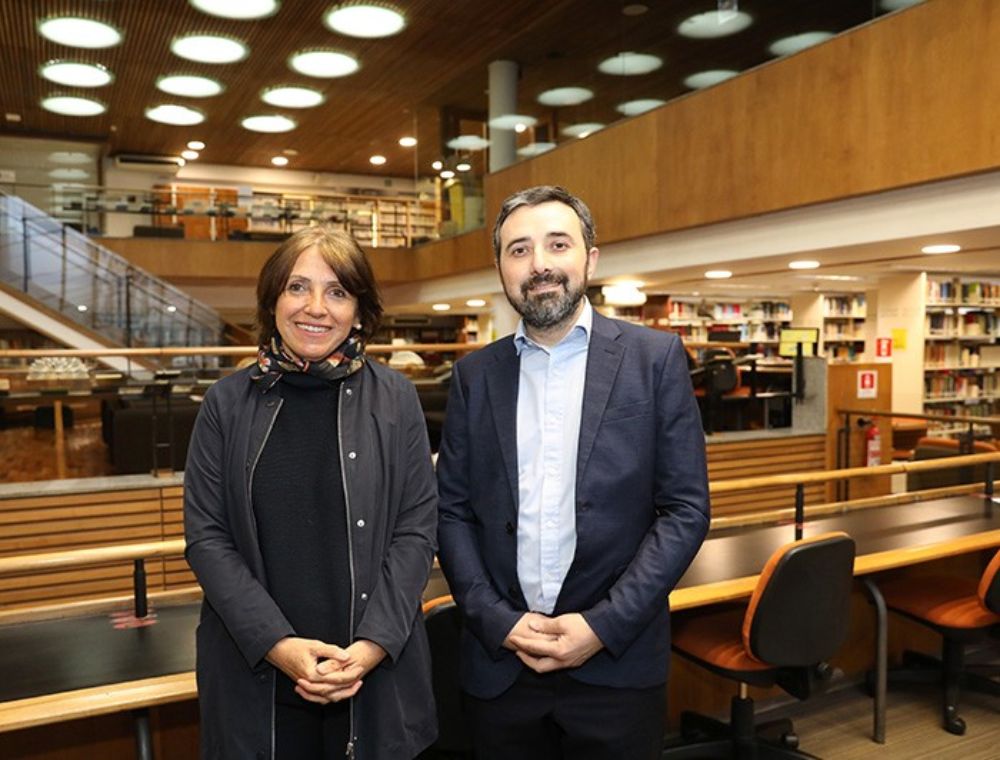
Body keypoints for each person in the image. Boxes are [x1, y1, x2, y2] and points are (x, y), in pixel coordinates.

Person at [436, 186, 710, 759]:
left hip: (616, 663)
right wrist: (495, 620)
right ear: (501, 269)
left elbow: (685, 511)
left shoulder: (656, 359)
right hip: (499, 669)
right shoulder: (472, 377)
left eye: (557, 244)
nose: (539, 264)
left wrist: (603, 626)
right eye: (519, 250)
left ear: (590, 257)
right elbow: (452, 512)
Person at [184, 226, 438, 760]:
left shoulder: (396, 399)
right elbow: (208, 538)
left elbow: (416, 529)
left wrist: (370, 649)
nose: (316, 308)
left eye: (338, 291)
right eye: (298, 287)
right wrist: (278, 646)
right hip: (256, 673)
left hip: (373, 672)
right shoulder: (225, 404)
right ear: (273, 299)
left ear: (360, 312)